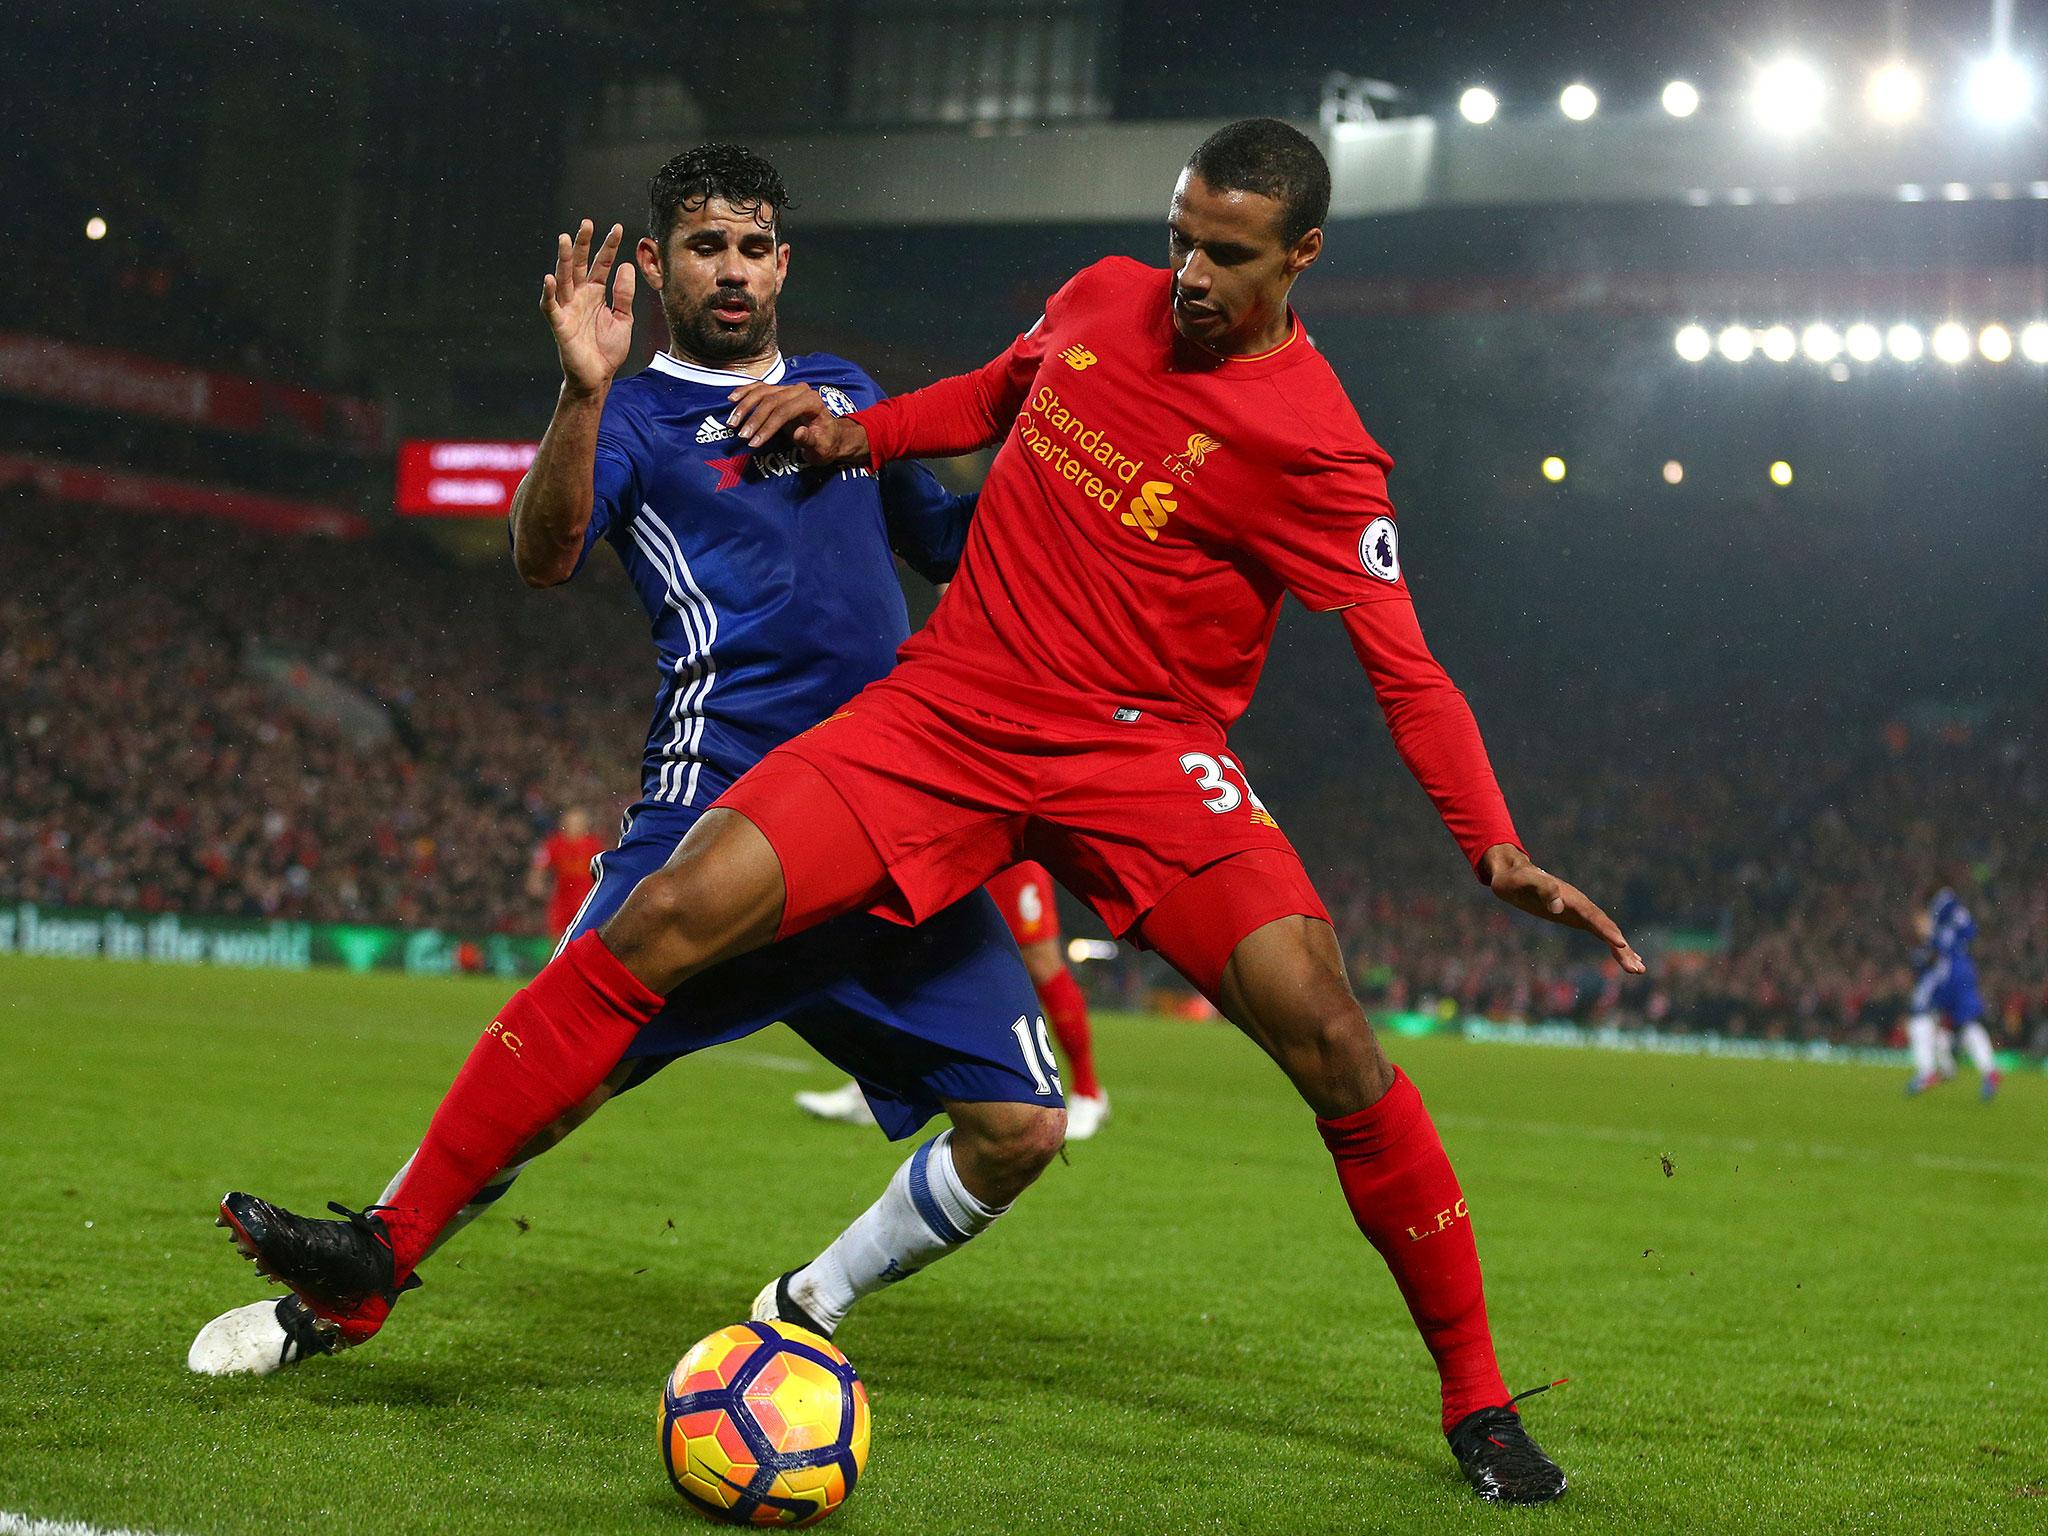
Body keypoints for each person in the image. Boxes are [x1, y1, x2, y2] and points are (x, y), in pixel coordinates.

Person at [218, 121, 1641, 1506]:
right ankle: (374, 1258)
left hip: (1143, 754)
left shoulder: (1321, 451)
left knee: (1329, 1034)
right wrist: (858, 434)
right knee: (664, 916)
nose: (1189, 278)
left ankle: (1478, 1403)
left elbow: (1404, 661)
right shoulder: (1101, 297)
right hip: (950, 709)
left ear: (1302, 257)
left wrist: (1490, 842)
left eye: (1227, 256)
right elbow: (991, 394)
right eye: (1180, 241)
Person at [194, 144, 1068, 1377]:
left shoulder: (841, 391)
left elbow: (954, 550)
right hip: (714, 806)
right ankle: (345, 1288)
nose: (732, 270)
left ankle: (803, 1307)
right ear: (656, 261)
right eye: (706, 245)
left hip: (887, 806)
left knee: (1021, 1128)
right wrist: (578, 391)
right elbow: (542, 552)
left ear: (782, 263)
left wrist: (1059, 468)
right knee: (555, 1081)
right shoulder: (636, 415)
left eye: (754, 247)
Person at [798, 859, 1110, 1137]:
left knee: (1040, 961)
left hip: (1007, 842)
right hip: (951, 839)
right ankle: (879, 1090)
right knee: (908, 953)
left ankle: (1088, 1092)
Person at [1905, 887, 2001, 1100]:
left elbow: (1929, 959)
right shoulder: (1952, 924)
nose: (1918, 925)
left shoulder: (1940, 913)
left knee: (1920, 1016)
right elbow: (1970, 929)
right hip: (1965, 970)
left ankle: (1928, 1072)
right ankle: (1989, 1071)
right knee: (1964, 1024)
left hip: (1949, 974)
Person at [527, 807, 606, 939]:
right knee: (559, 939)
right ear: (564, 824)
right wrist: (535, 881)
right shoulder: (554, 843)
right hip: (562, 900)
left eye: (579, 822)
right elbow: (539, 865)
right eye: (572, 822)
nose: (576, 826)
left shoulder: (593, 844)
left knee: (585, 937)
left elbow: (603, 869)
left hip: (586, 899)